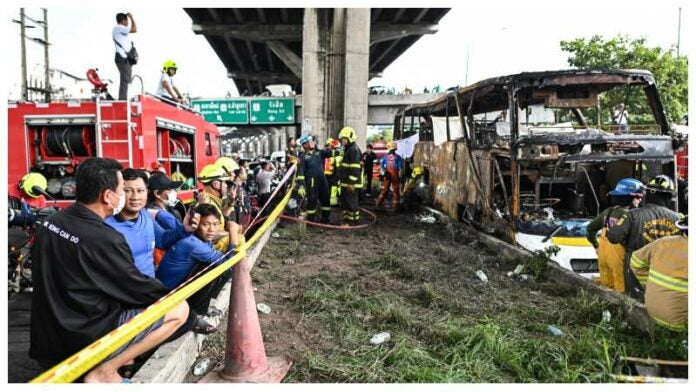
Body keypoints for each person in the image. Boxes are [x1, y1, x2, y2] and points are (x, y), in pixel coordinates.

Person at [29, 157, 189, 383]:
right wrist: (172, 296)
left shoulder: (51, 223)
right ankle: (105, 372)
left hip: (47, 335)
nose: (128, 196)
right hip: (83, 334)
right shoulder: (106, 238)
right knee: (179, 310)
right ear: (107, 196)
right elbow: (135, 288)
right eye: (122, 189)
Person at [157, 204, 241, 335]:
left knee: (216, 265)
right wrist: (233, 233)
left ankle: (202, 306)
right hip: (167, 295)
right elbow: (229, 264)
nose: (211, 229)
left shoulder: (200, 239)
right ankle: (193, 316)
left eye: (215, 224)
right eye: (206, 224)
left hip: (176, 287)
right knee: (216, 268)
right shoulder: (192, 243)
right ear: (196, 225)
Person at [105, 169, 195, 278]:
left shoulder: (145, 215)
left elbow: (162, 239)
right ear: (118, 192)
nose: (135, 197)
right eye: (127, 190)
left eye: (140, 191)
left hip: (150, 288)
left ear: (147, 193)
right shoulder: (106, 225)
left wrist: (184, 229)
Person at [608, 175, 681, 299]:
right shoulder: (678, 219)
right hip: (666, 269)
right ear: (669, 198)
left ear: (647, 194)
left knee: (635, 305)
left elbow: (613, 236)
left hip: (635, 270)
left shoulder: (632, 215)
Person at [630, 215, 687, 332]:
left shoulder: (663, 242)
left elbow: (635, 261)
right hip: (681, 323)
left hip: (654, 312)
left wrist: (648, 285)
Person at [585, 178, 644, 292]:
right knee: (621, 294)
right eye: (638, 197)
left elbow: (590, 229)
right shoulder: (631, 215)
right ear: (629, 197)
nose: (639, 200)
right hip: (618, 259)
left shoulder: (608, 212)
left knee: (606, 290)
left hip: (603, 256)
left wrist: (596, 246)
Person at [296, 134, 333, 223]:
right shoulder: (303, 157)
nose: (312, 143)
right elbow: (300, 172)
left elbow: (330, 153)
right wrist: (301, 185)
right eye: (310, 142)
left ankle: (325, 218)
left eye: (312, 141)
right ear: (305, 145)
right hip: (311, 182)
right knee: (312, 201)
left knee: (326, 198)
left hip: (322, 181)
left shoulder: (319, 153)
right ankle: (311, 220)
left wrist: (340, 149)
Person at [198, 163, 234, 252]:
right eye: (224, 182)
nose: (226, 186)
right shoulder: (207, 203)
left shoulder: (211, 200)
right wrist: (232, 233)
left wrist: (231, 203)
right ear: (216, 184)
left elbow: (221, 218)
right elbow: (209, 235)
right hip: (214, 252)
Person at [337, 127, 363, 225]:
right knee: (345, 203)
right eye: (342, 138)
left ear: (350, 138)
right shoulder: (348, 149)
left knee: (351, 203)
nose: (342, 140)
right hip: (345, 182)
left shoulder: (353, 150)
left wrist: (351, 183)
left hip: (350, 183)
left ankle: (353, 222)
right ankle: (346, 221)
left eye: (344, 138)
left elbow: (355, 168)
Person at [113, 12, 137, 100]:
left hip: (124, 58)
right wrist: (132, 17)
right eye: (127, 20)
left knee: (126, 79)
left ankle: (123, 99)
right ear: (123, 20)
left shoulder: (120, 30)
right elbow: (134, 29)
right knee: (125, 80)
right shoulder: (118, 27)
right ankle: (122, 100)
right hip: (122, 58)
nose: (128, 22)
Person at [376, 141, 404, 210]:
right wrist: (401, 177)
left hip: (387, 175)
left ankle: (378, 204)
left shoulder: (385, 157)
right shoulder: (398, 157)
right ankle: (395, 207)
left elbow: (382, 167)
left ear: (389, 148)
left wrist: (383, 175)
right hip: (395, 175)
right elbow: (400, 169)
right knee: (396, 191)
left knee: (384, 190)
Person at [323, 138, 342, 207]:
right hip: (333, 174)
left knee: (332, 188)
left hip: (330, 174)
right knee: (334, 188)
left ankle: (332, 202)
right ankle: (334, 202)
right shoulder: (334, 155)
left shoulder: (328, 153)